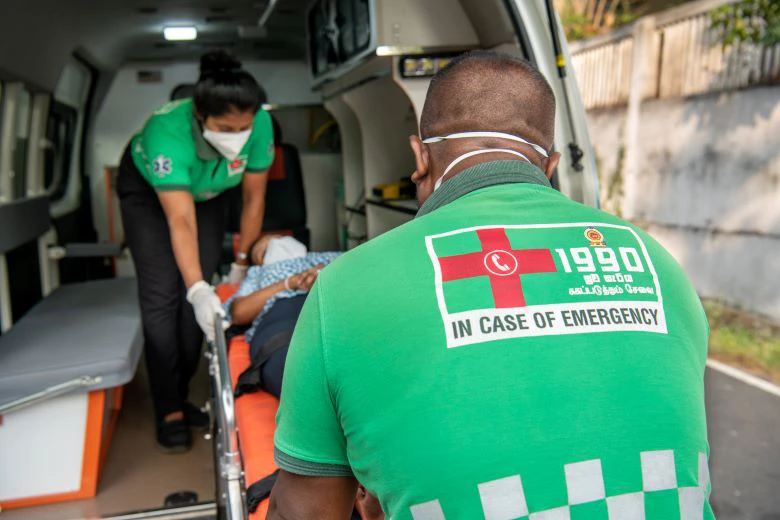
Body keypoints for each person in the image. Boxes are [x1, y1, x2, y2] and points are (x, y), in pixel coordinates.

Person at [267, 51, 714, 519]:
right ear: (552, 164)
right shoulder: (659, 264)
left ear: (420, 157)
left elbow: (304, 512)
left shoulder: (346, 287)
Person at [117, 50, 274, 453]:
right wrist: (196, 288)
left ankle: (182, 394)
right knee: (165, 293)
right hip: (152, 198)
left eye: (244, 126)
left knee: (203, 298)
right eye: (225, 127)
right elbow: (179, 220)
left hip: (210, 193)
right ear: (200, 117)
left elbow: (254, 200)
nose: (238, 136)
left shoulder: (260, 125)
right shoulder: (166, 132)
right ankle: (167, 408)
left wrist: (240, 265)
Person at [225, 236, 340, 397]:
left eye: (278, 237)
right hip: (282, 318)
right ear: (259, 260)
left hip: (332, 310)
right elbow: (239, 313)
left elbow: (365, 275)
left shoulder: (329, 258)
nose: (273, 242)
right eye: (263, 249)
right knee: (297, 375)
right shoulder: (257, 273)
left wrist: (326, 273)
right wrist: (290, 283)